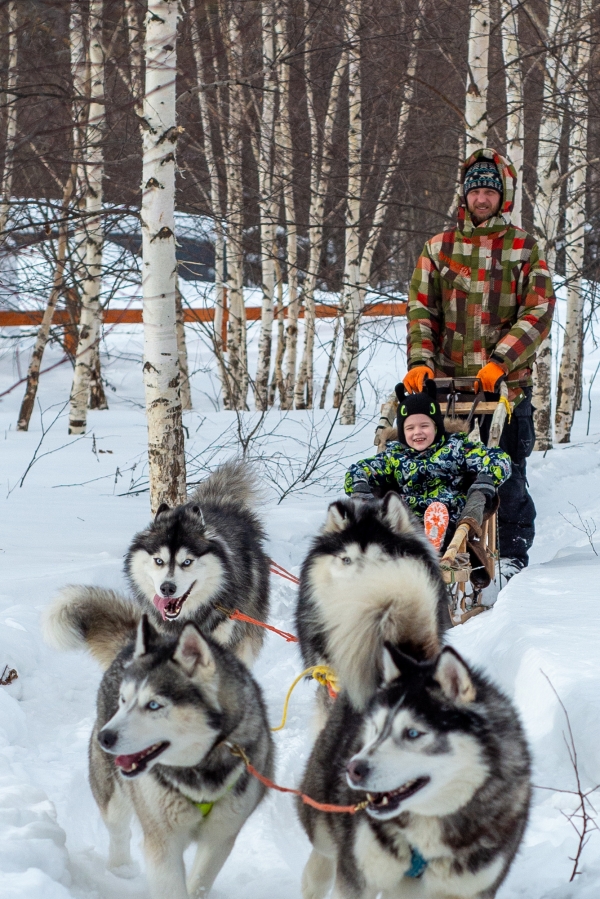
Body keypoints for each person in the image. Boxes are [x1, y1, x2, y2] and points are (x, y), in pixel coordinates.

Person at [403, 148, 555, 577]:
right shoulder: (438, 247)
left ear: (501, 196)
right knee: (443, 470)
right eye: (476, 191)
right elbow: (421, 310)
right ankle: (444, 550)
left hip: (503, 389)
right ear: (464, 196)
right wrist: (421, 360)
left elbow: (538, 310)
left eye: (490, 190)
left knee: (505, 473)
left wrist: (501, 361)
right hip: (449, 390)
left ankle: (508, 557)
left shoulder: (524, 247)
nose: (482, 198)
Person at [344, 382, 512, 551]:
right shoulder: (394, 456)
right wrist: (360, 489)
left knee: (441, 517)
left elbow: (497, 458)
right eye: (410, 428)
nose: (418, 432)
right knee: (391, 519)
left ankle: (433, 543)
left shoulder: (457, 448)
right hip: (407, 516)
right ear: (402, 432)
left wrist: (486, 477)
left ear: (436, 426)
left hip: (447, 514)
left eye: (424, 426)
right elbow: (359, 469)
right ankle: (398, 546)